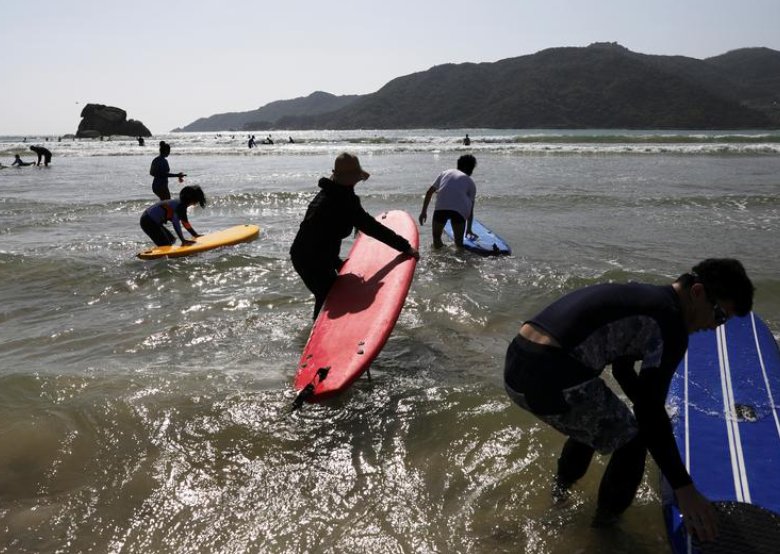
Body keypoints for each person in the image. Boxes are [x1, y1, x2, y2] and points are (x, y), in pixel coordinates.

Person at [503, 258, 755, 541]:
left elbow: (623, 369)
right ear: (697, 293)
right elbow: (648, 414)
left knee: (595, 421)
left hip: (519, 361)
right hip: (550, 374)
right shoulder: (671, 325)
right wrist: (684, 488)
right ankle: (605, 533)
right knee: (634, 441)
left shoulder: (648, 298)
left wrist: (653, 414)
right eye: (719, 315)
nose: (714, 326)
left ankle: (560, 495)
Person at [290, 152, 420, 319]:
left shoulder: (328, 193)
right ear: (352, 178)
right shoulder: (344, 200)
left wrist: (336, 262)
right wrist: (405, 247)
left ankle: (316, 334)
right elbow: (372, 228)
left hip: (308, 255)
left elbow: (322, 233)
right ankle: (317, 339)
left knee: (328, 297)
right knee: (327, 298)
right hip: (311, 260)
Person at [418, 154, 478, 248]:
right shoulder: (470, 183)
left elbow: (429, 192)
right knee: (459, 244)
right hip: (458, 212)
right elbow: (470, 210)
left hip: (441, 208)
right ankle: (459, 261)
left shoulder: (446, 173)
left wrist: (423, 212)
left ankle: (439, 259)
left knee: (436, 239)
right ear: (470, 168)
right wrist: (468, 229)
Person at [140, 185, 206, 247]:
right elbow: (176, 223)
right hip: (148, 221)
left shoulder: (181, 204)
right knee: (165, 245)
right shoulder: (180, 206)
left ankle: (162, 253)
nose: (197, 202)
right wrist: (183, 240)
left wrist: (195, 235)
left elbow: (185, 223)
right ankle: (161, 256)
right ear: (193, 199)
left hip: (149, 219)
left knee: (172, 240)